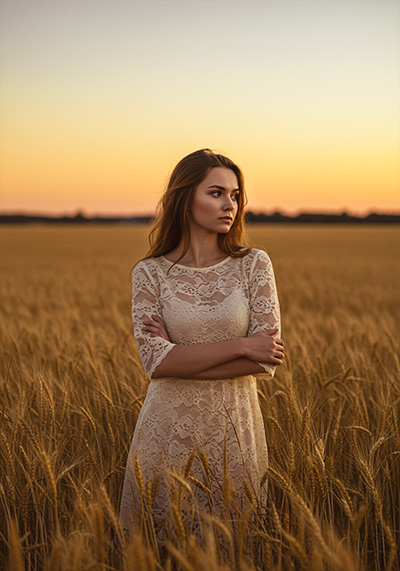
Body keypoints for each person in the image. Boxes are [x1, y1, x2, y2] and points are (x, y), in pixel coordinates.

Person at [119, 148, 285, 544]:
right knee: (161, 547)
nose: (230, 204)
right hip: (166, 430)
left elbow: (267, 361)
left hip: (234, 428)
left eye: (235, 194)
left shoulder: (253, 264)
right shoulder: (151, 272)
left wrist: (180, 356)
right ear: (184, 197)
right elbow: (156, 364)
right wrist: (244, 345)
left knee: (234, 545)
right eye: (216, 193)